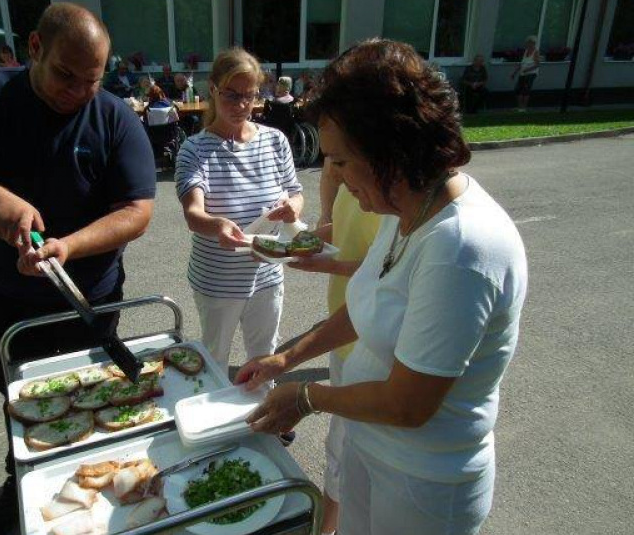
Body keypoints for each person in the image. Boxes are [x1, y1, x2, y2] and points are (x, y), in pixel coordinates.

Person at [236, 39, 528, 535]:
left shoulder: (461, 247)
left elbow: (408, 404)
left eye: (342, 162)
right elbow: (366, 301)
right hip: (372, 450)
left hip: (425, 483)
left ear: (390, 148)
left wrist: (306, 397)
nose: (337, 179)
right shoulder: (403, 208)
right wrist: (288, 358)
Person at [0, 4, 156, 534]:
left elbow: (137, 211)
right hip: (6, 296)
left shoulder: (114, 115)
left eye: (91, 80)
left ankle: (85, 482)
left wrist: (68, 246)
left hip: (90, 295)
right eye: (64, 75)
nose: (76, 91)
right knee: (20, 396)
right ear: (34, 48)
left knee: (88, 391)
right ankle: (22, 476)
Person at [174, 46, 304, 371]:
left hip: (267, 274)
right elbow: (194, 214)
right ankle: (216, 421)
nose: (242, 106)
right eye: (232, 95)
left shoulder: (275, 140)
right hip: (218, 280)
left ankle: (261, 420)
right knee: (215, 361)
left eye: (250, 95)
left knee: (264, 361)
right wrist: (216, 225)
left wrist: (292, 208)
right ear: (213, 90)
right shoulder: (195, 149)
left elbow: (297, 193)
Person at [287, 159, 381, 534]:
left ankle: (332, 524)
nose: (332, 169)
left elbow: (385, 270)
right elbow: (337, 229)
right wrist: (301, 238)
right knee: (340, 444)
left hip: (370, 341)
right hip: (344, 328)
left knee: (350, 444)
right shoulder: (350, 186)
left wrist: (328, 266)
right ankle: (328, 525)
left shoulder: (390, 202)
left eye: (340, 160)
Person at [511, 36, 540, 111]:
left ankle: (524, 107)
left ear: (533, 44)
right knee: (518, 90)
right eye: (527, 43)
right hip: (522, 73)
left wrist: (527, 70)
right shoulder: (526, 51)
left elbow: (537, 65)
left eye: (529, 43)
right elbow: (522, 63)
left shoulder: (535, 52)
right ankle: (519, 107)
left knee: (525, 90)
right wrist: (514, 73)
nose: (527, 45)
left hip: (531, 74)